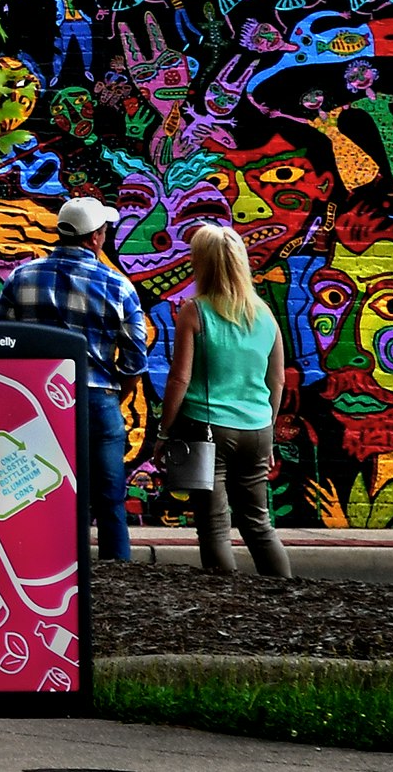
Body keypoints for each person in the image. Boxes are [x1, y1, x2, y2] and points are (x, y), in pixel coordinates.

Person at [0, 195, 148, 561]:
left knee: (38, 492)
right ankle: (116, 574)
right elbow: (134, 360)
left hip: (34, 400)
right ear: (94, 237)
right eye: (104, 231)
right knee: (110, 497)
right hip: (97, 399)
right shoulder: (118, 287)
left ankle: (42, 565)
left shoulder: (21, 277)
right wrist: (116, 393)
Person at [159, 223, 294, 577]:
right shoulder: (265, 315)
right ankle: (287, 596)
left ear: (201, 263)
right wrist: (267, 430)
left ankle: (226, 603)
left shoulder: (195, 311)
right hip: (257, 430)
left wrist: (163, 432)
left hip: (207, 431)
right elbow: (277, 380)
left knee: (215, 525)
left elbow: (179, 379)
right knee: (259, 524)